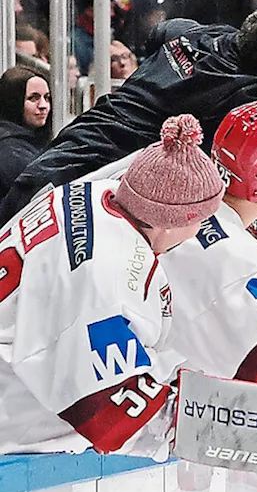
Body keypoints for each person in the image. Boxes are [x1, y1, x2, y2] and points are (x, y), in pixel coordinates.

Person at [0, 2, 257, 224]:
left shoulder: (207, 37)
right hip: (79, 184)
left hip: (69, 147)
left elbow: (165, 30)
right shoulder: (244, 97)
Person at [0, 114, 221, 456]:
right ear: (179, 221)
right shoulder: (110, 272)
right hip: (12, 418)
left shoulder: (97, 192)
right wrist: (202, 425)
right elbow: (110, 412)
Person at [0, 67, 51, 201]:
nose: (43, 105)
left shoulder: (27, 143)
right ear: (12, 101)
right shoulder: (10, 151)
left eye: (47, 98)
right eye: (33, 98)